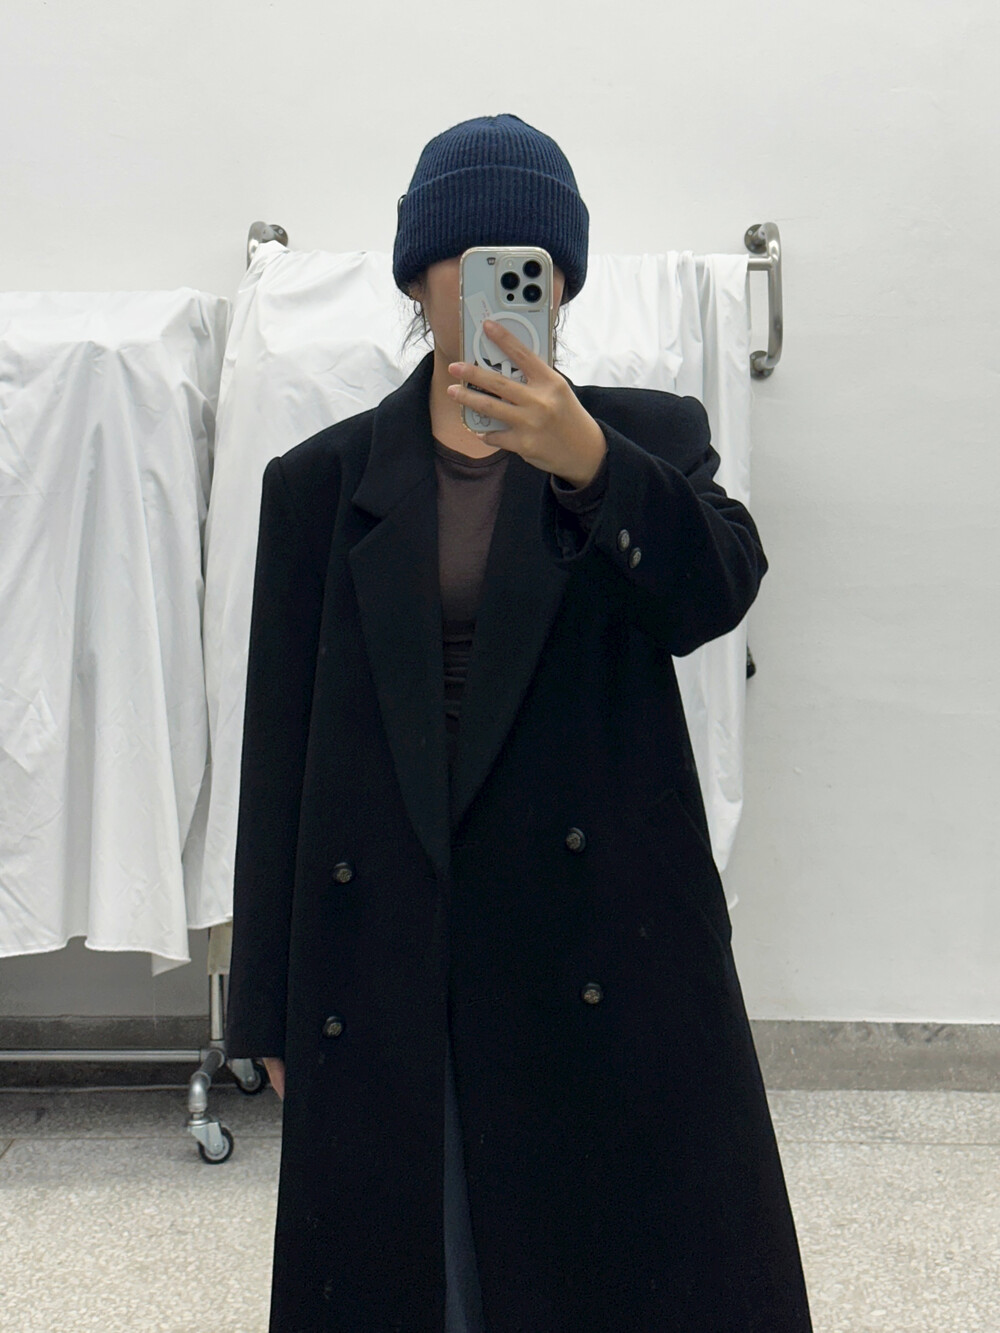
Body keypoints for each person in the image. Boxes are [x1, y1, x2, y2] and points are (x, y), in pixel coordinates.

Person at [225, 113, 813, 1332]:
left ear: (562, 286)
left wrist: (589, 462)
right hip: (392, 928)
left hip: (598, 932)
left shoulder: (643, 438)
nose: (496, 286)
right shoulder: (320, 481)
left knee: (612, 1262)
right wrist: (268, 1002)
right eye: (470, 259)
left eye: (529, 264)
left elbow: (714, 593)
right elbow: (277, 748)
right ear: (418, 279)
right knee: (420, 1265)